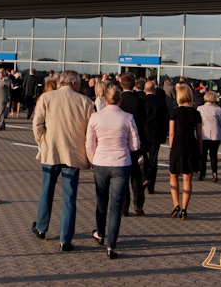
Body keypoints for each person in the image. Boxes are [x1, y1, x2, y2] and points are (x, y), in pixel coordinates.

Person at [32, 70, 94, 252]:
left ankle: (41, 227)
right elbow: (90, 131)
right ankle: (65, 239)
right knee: (69, 197)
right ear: (74, 83)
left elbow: (37, 124)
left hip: (51, 151)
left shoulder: (47, 97)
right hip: (73, 154)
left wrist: (41, 142)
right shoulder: (86, 102)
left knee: (46, 191)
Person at [86, 84, 140, 259]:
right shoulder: (128, 118)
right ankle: (111, 246)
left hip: (101, 162)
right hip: (121, 162)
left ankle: (100, 233)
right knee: (116, 205)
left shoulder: (95, 117)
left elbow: (89, 142)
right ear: (120, 100)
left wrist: (92, 159)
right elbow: (135, 144)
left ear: (104, 99)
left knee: (101, 201)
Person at [168, 84, 202, 220]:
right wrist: (200, 149)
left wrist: (171, 147)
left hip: (178, 144)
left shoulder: (175, 112)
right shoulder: (196, 113)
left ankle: (176, 204)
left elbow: (171, 133)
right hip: (191, 145)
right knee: (187, 179)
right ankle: (184, 209)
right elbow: (199, 134)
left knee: (173, 175)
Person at [119, 72, 148, 217]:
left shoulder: (119, 101)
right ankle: (138, 204)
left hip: (122, 141)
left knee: (123, 175)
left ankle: (124, 207)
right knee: (136, 174)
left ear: (121, 84)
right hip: (137, 140)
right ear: (134, 85)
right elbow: (144, 119)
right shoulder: (140, 101)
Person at [143, 80, 170, 194]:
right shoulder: (161, 102)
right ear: (155, 90)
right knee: (153, 159)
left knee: (143, 158)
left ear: (145, 90)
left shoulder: (141, 101)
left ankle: (145, 177)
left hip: (144, 134)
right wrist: (164, 135)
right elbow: (165, 120)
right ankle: (151, 185)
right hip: (156, 133)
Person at [197, 91, 221, 182]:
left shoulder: (200, 108)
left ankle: (202, 173)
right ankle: (214, 172)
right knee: (213, 155)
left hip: (204, 133)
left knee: (203, 154)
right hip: (215, 133)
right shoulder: (218, 109)